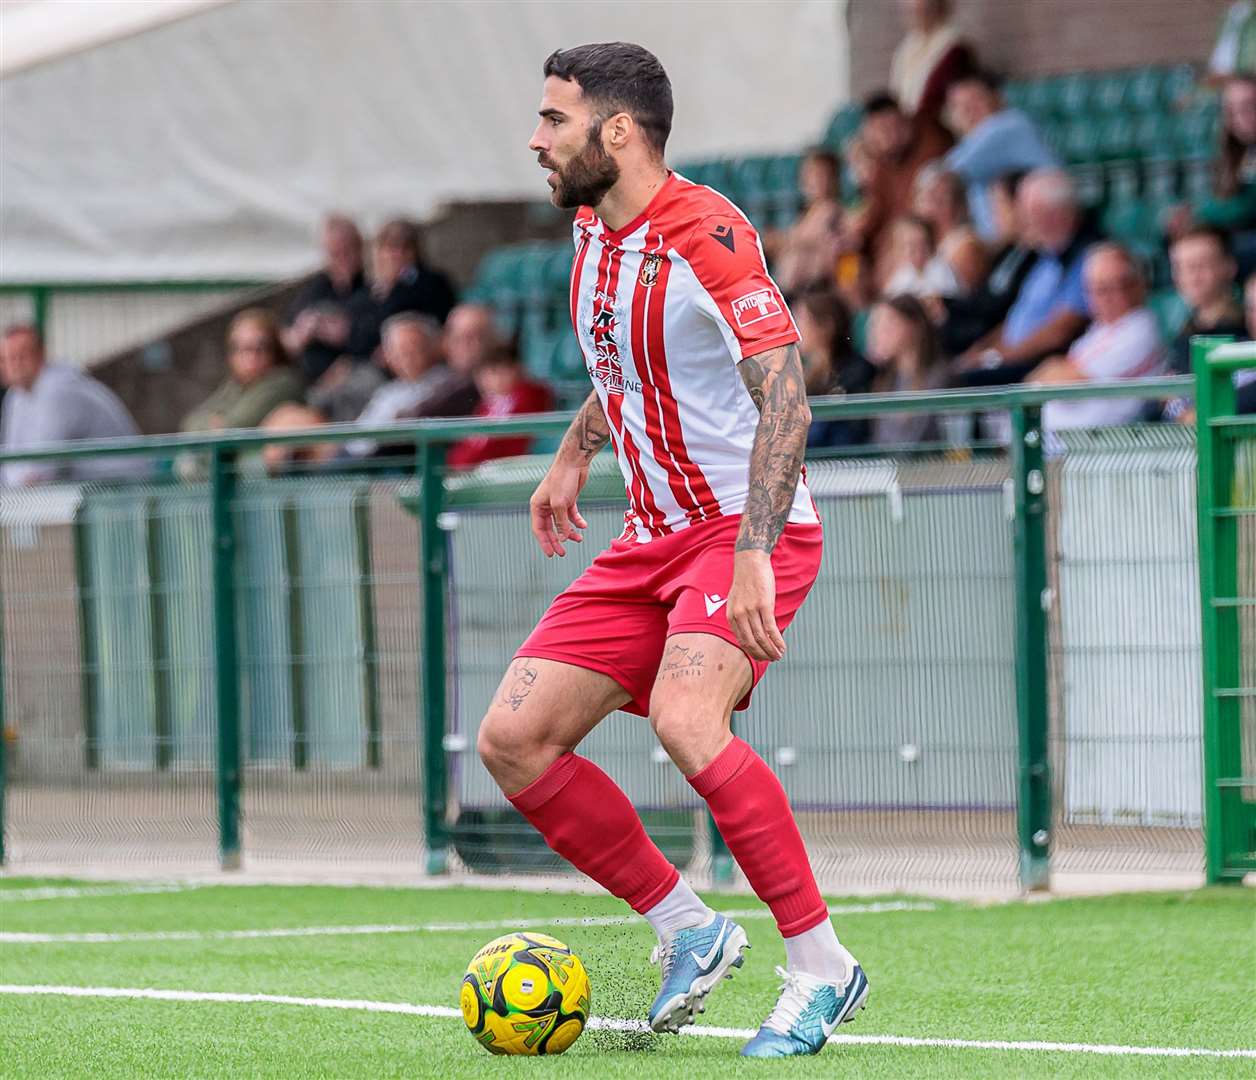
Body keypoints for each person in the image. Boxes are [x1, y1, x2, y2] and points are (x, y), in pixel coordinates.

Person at [476, 42, 867, 1059]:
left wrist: (751, 554)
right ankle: (689, 929)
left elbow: (784, 395)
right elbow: (624, 364)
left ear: (617, 132)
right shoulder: (586, 230)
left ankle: (821, 967)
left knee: (688, 722)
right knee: (510, 742)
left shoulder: (710, 233)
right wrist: (570, 451)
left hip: (738, 534)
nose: (535, 137)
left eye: (552, 119)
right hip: (645, 540)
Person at [955, 168, 1095, 384]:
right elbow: (1016, 318)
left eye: (1031, 213)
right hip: (1006, 358)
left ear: (1057, 214)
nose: (1025, 221)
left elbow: (1061, 330)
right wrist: (982, 351)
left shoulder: (1086, 256)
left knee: (958, 383)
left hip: (1034, 366)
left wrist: (998, 358)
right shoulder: (1045, 256)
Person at [1028, 245, 1167, 432]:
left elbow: (1065, 383)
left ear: (1137, 285)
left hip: (1094, 448)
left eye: (1113, 287)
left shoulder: (1140, 328)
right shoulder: (1099, 329)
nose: (1103, 298)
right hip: (1056, 441)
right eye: (1096, 289)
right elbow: (1046, 375)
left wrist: (1057, 369)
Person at [0, 323, 147, 486]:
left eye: (21, 356)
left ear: (40, 355)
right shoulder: (15, 395)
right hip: (87, 489)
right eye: (5, 359)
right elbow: (11, 457)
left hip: (122, 489)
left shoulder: (59, 391)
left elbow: (42, 469)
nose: (13, 365)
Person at [942, 70, 1059, 242]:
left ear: (997, 98)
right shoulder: (971, 143)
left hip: (1046, 228)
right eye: (960, 106)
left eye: (976, 100)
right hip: (1006, 243)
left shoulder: (1009, 125)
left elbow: (945, 175)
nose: (969, 111)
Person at [847, 92, 952, 274]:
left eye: (893, 127)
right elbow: (874, 210)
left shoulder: (930, 143)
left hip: (919, 244)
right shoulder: (881, 164)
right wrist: (853, 232)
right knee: (845, 256)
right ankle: (851, 299)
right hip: (881, 249)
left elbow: (927, 209)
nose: (888, 136)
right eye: (880, 130)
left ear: (905, 122)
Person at [937, 171, 1038, 355]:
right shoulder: (1006, 251)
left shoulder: (1036, 257)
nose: (994, 215)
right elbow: (982, 298)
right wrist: (945, 302)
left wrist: (982, 351)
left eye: (999, 205)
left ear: (1020, 206)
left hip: (991, 345)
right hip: (970, 331)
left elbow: (1005, 313)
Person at [344, 218, 458, 360]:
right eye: (391, 248)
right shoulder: (368, 291)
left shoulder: (430, 283)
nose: (397, 255)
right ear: (379, 252)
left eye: (405, 248)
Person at [1168, 77, 1256, 254]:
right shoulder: (1239, 154)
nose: (1242, 115)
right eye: (1232, 109)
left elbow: (1248, 205)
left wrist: (1198, 214)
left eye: (1250, 105)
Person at [181, 309, 304, 433]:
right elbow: (191, 422)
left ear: (275, 350)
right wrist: (213, 425)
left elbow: (233, 427)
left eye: (260, 348)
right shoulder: (236, 384)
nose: (252, 357)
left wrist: (217, 423)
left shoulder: (283, 382)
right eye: (244, 348)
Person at [281, 215, 367, 382]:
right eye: (334, 253)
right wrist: (302, 334)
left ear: (359, 248)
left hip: (348, 377)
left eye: (346, 250)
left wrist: (329, 331)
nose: (341, 259)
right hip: (306, 376)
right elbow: (285, 337)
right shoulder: (318, 286)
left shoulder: (371, 287)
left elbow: (367, 341)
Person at [447, 346, 555, 469]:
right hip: (484, 471)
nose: (490, 380)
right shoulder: (488, 405)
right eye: (484, 374)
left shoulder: (528, 396)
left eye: (497, 371)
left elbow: (500, 445)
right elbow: (468, 445)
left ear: (516, 369)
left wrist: (461, 465)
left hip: (513, 471)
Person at [794, 288, 876, 449]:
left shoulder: (857, 371)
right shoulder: (806, 374)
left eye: (802, 320)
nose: (795, 329)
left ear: (826, 325)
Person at [865, 294, 948, 444]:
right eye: (876, 326)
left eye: (889, 325)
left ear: (914, 325)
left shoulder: (939, 377)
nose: (879, 334)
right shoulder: (883, 380)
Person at [888, 0, 976, 128]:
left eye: (922, 10)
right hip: (908, 126)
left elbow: (933, 102)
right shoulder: (908, 45)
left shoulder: (954, 47)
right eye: (910, 11)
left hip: (936, 130)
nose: (916, 16)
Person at [768, 148, 845, 294]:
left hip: (814, 288)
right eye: (808, 174)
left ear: (833, 178)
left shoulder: (830, 208)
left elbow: (809, 237)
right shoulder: (807, 212)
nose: (812, 180)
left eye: (820, 174)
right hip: (793, 289)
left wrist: (781, 240)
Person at [913, 165, 988, 294]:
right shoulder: (915, 240)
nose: (930, 207)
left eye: (940, 200)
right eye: (926, 198)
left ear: (959, 206)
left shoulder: (966, 246)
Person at [882, 213, 961, 298]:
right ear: (899, 250)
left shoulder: (941, 269)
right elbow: (891, 298)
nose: (919, 251)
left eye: (923, 244)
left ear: (932, 245)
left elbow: (947, 298)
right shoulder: (903, 274)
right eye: (911, 246)